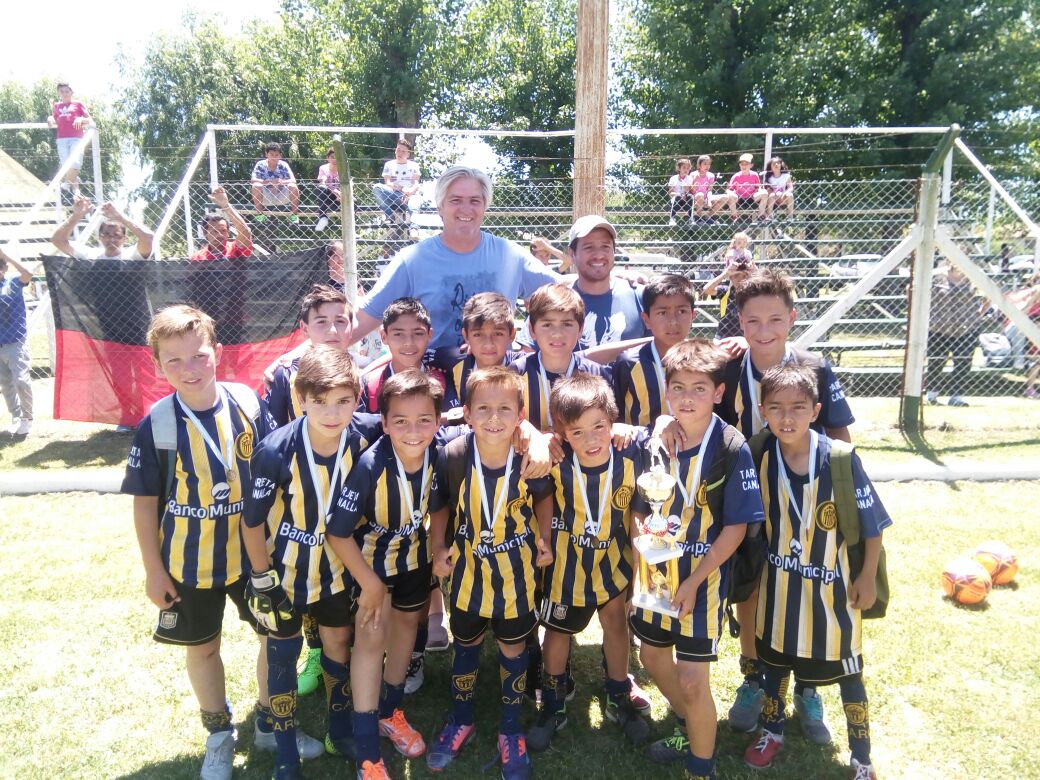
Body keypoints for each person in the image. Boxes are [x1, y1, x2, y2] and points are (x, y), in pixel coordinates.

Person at [120, 305, 307, 780]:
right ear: (157, 364)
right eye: (174, 360)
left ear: (218, 353)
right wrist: (153, 571)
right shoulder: (158, 424)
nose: (190, 369)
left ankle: (269, 720)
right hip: (190, 564)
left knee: (276, 637)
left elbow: (273, 464)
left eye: (199, 355)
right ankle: (219, 734)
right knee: (203, 647)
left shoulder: (246, 403)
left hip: (255, 557)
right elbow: (144, 504)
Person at [717, 268, 855, 741]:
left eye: (775, 319)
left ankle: (807, 687)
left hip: (807, 498)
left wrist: (841, 491)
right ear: (739, 322)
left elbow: (838, 432)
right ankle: (754, 678)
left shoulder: (815, 368)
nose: (763, 331)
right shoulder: (728, 367)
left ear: (792, 318)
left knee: (808, 585)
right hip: (750, 498)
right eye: (752, 321)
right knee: (753, 586)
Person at [743, 364, 889, 780]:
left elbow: (873, 526)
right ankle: (772, 731)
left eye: (798, 407)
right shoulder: (759, 454)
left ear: (816, 410)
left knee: (849, 674)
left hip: (834, 592)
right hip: (778, 588)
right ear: (763, 411)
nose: (786, 417)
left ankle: (861, 756)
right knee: (774, 666)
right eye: (776, 408)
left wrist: (866, 577)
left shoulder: (840, 459)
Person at [630, 339, 764, 780]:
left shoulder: (731, 446)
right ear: (666, 389)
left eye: (699, 389)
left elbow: (736, 528)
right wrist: (643, 557)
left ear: (718, 392)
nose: (687, 398)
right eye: (678, 388)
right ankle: (692, 725)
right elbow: (638, 509)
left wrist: (692, 581)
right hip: (657, 575)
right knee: (652, 657)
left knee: (692, 679)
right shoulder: (654, 440)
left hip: (702, 581)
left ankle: (700, 768)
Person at [242, 345, 376, 778]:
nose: (332, 413)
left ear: (357, 398)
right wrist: (261, 578)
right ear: (300, 399)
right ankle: (285, 752)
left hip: (335, 573)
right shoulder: (275, 450)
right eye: (319, 401)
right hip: (284, 576)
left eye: (343, 401)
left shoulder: (363, 437)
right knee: (283, 653)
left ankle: (339, 731)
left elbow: (416, 423)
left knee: (338, 643)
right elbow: (251, 523)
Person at [426, 367, 553, 779]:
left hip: (516, 574)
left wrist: (545, 538)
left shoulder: (527, 457)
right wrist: (438, 547)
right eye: (483, 409)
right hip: (467, 573)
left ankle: (510, 730)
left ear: (520, 415)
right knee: (465, 645)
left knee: (513, 650)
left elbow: (544, 498)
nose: (494, 418)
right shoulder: (454, 454)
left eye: (504, 409)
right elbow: (440, 505)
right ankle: (461, 719)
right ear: (467, 413)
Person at [325, 371, 452, 778]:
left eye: (424, 420)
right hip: (372, 567)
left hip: (414, 561)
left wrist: (438, 547)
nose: (413, 431)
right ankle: (367, 752)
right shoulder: (369, 466)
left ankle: (390, 712)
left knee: (406, 631)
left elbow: (439, 506)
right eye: (401, 421)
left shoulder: (439, 454)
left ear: (438, 421)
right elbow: (337, 532)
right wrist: (370, 584)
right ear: (384, 423)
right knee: (370, 642)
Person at [526, 374, 650, 752]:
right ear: (562, 435)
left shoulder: (631, 456)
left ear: (612, 421)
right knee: (557, 633)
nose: (591, 439)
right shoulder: (556, 460)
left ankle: (618, 694)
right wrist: (542, 439)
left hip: (612, 564)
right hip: (566, 569)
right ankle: (553, 704)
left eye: (599, 426)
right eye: (577, 432)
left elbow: (664, 430)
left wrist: (637, 428)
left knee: (616, 624)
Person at [356, 166, 559, 351]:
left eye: (474, 201)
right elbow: (364, 319)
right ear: (440, 207)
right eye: (455, 200)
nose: (466, 209)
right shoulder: (412, 260)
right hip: (431, 376)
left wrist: (529, 344)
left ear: (484, 206)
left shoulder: (510, 256)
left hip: (495, 375)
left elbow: (563, 292)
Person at [516, 215, 649, 351]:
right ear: (572, 254)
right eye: (589, 247)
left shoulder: (640, 298)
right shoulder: (552, 301)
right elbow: (527, 355)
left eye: (605, 246)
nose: (599, 255)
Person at [510, 284, 612, 431]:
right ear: (532, 330)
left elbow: (609, 426)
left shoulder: (597, 374)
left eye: (567, 324)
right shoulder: (517, 373)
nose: (557, 334)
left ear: (580, 329)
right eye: (547, 325)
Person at [613, 273, 697, 426]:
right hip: (643, 441)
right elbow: (615, 418)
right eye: (662, 313)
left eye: (681, 311)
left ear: (693, 316)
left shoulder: (706, 361)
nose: (673, 321)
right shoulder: (629, 363)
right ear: (646, 320)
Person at [267, 285, 355, 427]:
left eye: (340, 321)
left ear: (351, 327)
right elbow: (276, 431)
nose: (332, 330)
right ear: (304, 328)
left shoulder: (366, 372)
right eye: (321, 322)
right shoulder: (286, 375)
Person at [358, 297, 448, 415]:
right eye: (398, 334)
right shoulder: (369, 386)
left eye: (418, 333)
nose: (408, 342)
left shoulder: (444, 381)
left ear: (429, 335)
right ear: (384, 336)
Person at [437, 292, 525, 409]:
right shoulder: (454, 359)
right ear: (466, 336)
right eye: (478, 335)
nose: (488, 344)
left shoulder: (524, 366)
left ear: (512, 335)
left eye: (498, 334)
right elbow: (418, 354)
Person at [925, 264, 982, 407]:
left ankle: (956, 397)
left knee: (963, 363)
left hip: (966, 329)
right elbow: (913, 290)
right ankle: (931, 396)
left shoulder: (975, 276)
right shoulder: (936, 276)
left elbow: (988, 296)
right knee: (936, 362)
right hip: (939, 328)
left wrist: (978, 316)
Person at [0, 247, 34, 437]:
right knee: (5, 384)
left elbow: (28, 273)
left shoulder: (13, 283)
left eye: (0, 266)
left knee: (21, 380)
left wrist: (6, 255)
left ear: (4, 268)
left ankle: (27, 418)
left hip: (15, 341)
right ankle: (16, 416)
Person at [51, 198, 154, 259]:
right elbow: (58, 240)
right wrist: (77, 215)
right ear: (99, 237)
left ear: (124, 238)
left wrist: (120, 217)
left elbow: (148, 238)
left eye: (117, 235)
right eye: (107, 235)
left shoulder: (132, 255)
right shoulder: (89, 255)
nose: (111, 239)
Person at [702, 233, 756, 340]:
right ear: (730, 277)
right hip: (724, 336)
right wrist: (726, 274)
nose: (739, 279)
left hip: (746, 338)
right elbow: (706, 289)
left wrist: (755, 273)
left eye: (743, 276)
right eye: (736, 276)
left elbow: (770, 289)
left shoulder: (753, 292)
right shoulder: (726, 291)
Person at [47, 82, 90, 200]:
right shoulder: (57, 106)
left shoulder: (78, 104)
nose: (64, 94)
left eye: (67, 91)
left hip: (76, 138)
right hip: (62, 139)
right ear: (58, 93)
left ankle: (66, 184)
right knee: (66, 165)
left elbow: (90, 120)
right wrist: (50, 118)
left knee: (75, 163)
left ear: (72, 92)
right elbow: (55, 119)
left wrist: (80, 119)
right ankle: (75, 187)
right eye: (62, 92)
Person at [193, 187, 253, 261]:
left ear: (228, 233)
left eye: (223, 231)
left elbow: (245, 232)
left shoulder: (235, 248)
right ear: (205, 233)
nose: (220, 235)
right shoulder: (197, 257)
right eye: (215, 231)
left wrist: (225, 205)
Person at [374, 139, 421, 225]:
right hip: (393, 194)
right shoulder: (389, 164)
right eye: (398, 150)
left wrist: (409, 193)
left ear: (408, 154)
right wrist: (401, 188)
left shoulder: (414, 165)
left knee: (415, 203)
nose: (400, 153)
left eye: (403, 151)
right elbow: (388, 183)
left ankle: (414, 228)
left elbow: (416, 184)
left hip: (409, 196)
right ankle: (389, 216)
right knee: (377, 187)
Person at [251, 142, 301, 222]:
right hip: (265, 196)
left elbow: (293, 180)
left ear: (280, 156)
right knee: (256, 186)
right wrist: (270, 182)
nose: (274, 157)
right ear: (266, 154)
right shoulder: (260, 164)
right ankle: (260, 216)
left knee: (293, 186)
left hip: (282, 195)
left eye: (276, 155)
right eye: (271, 154)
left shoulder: (284, 165)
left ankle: (294, 216)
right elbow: (253, 180)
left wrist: (280, 182)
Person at [726, 153, 765, 222]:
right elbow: (728, 189)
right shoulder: (736, 176)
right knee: (730, 195)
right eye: (742, 164)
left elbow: (758, 187)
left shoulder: (755, 175)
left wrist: (761, 190)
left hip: (752, 198)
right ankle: (734, 217)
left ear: (751, 165)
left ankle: (761, 216)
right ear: (739, 165)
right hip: (739, 198)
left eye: (746, 164)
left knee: (764, 193)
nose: (744, 166)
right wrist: (731, 193)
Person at [691, 155, 726, 224]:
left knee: (725, 197)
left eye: (709, 164)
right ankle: (698, 219)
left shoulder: (711, 175)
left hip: (706, 198)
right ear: (699, 165)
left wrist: (709, 201)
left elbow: (709, 190)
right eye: (705, 164)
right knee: (700, 195)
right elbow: (692, 191)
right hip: (695, 198)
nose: (707, 166)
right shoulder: (693, 174)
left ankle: (707, 217)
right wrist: (695, 180)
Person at [315, 147, 341, 232]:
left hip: (341, 197)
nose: (335, 159)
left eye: (337, 157)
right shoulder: (323, 168)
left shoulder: (343, 169)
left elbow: (347, 184)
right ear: (328, 158)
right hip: (328, 197)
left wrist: (341, 194)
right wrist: (334, 191)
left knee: (354, 201)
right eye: (332, 157)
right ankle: (323, 218)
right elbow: (323, 181)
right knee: (321, 188)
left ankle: (352, 227)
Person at [762, 157, 794, 221]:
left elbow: (790, 187)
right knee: (772, 195)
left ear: (781, 165)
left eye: (778, 163)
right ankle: (770, 217)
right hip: (772, 198)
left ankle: (790, 217)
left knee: (790, 195)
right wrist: (775, 194)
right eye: (774, 164)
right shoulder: (768, 177)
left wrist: (785, 193)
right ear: (770, 167)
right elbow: (766, 189)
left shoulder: (786, 176)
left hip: (783, 197)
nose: (776, 165)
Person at [667, 158, 695, 226]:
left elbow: (692, 192)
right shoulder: (673, 179)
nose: (686, 170)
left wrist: (687, 190)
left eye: (688, 168)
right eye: (684, 168)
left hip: (686, 201)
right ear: (679, 168)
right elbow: (670, 193)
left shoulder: (690, 179)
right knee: (678, 197)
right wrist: (679, 194)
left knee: (690, 197)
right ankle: (672, 218)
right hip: (676, 201)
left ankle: (690, 218)